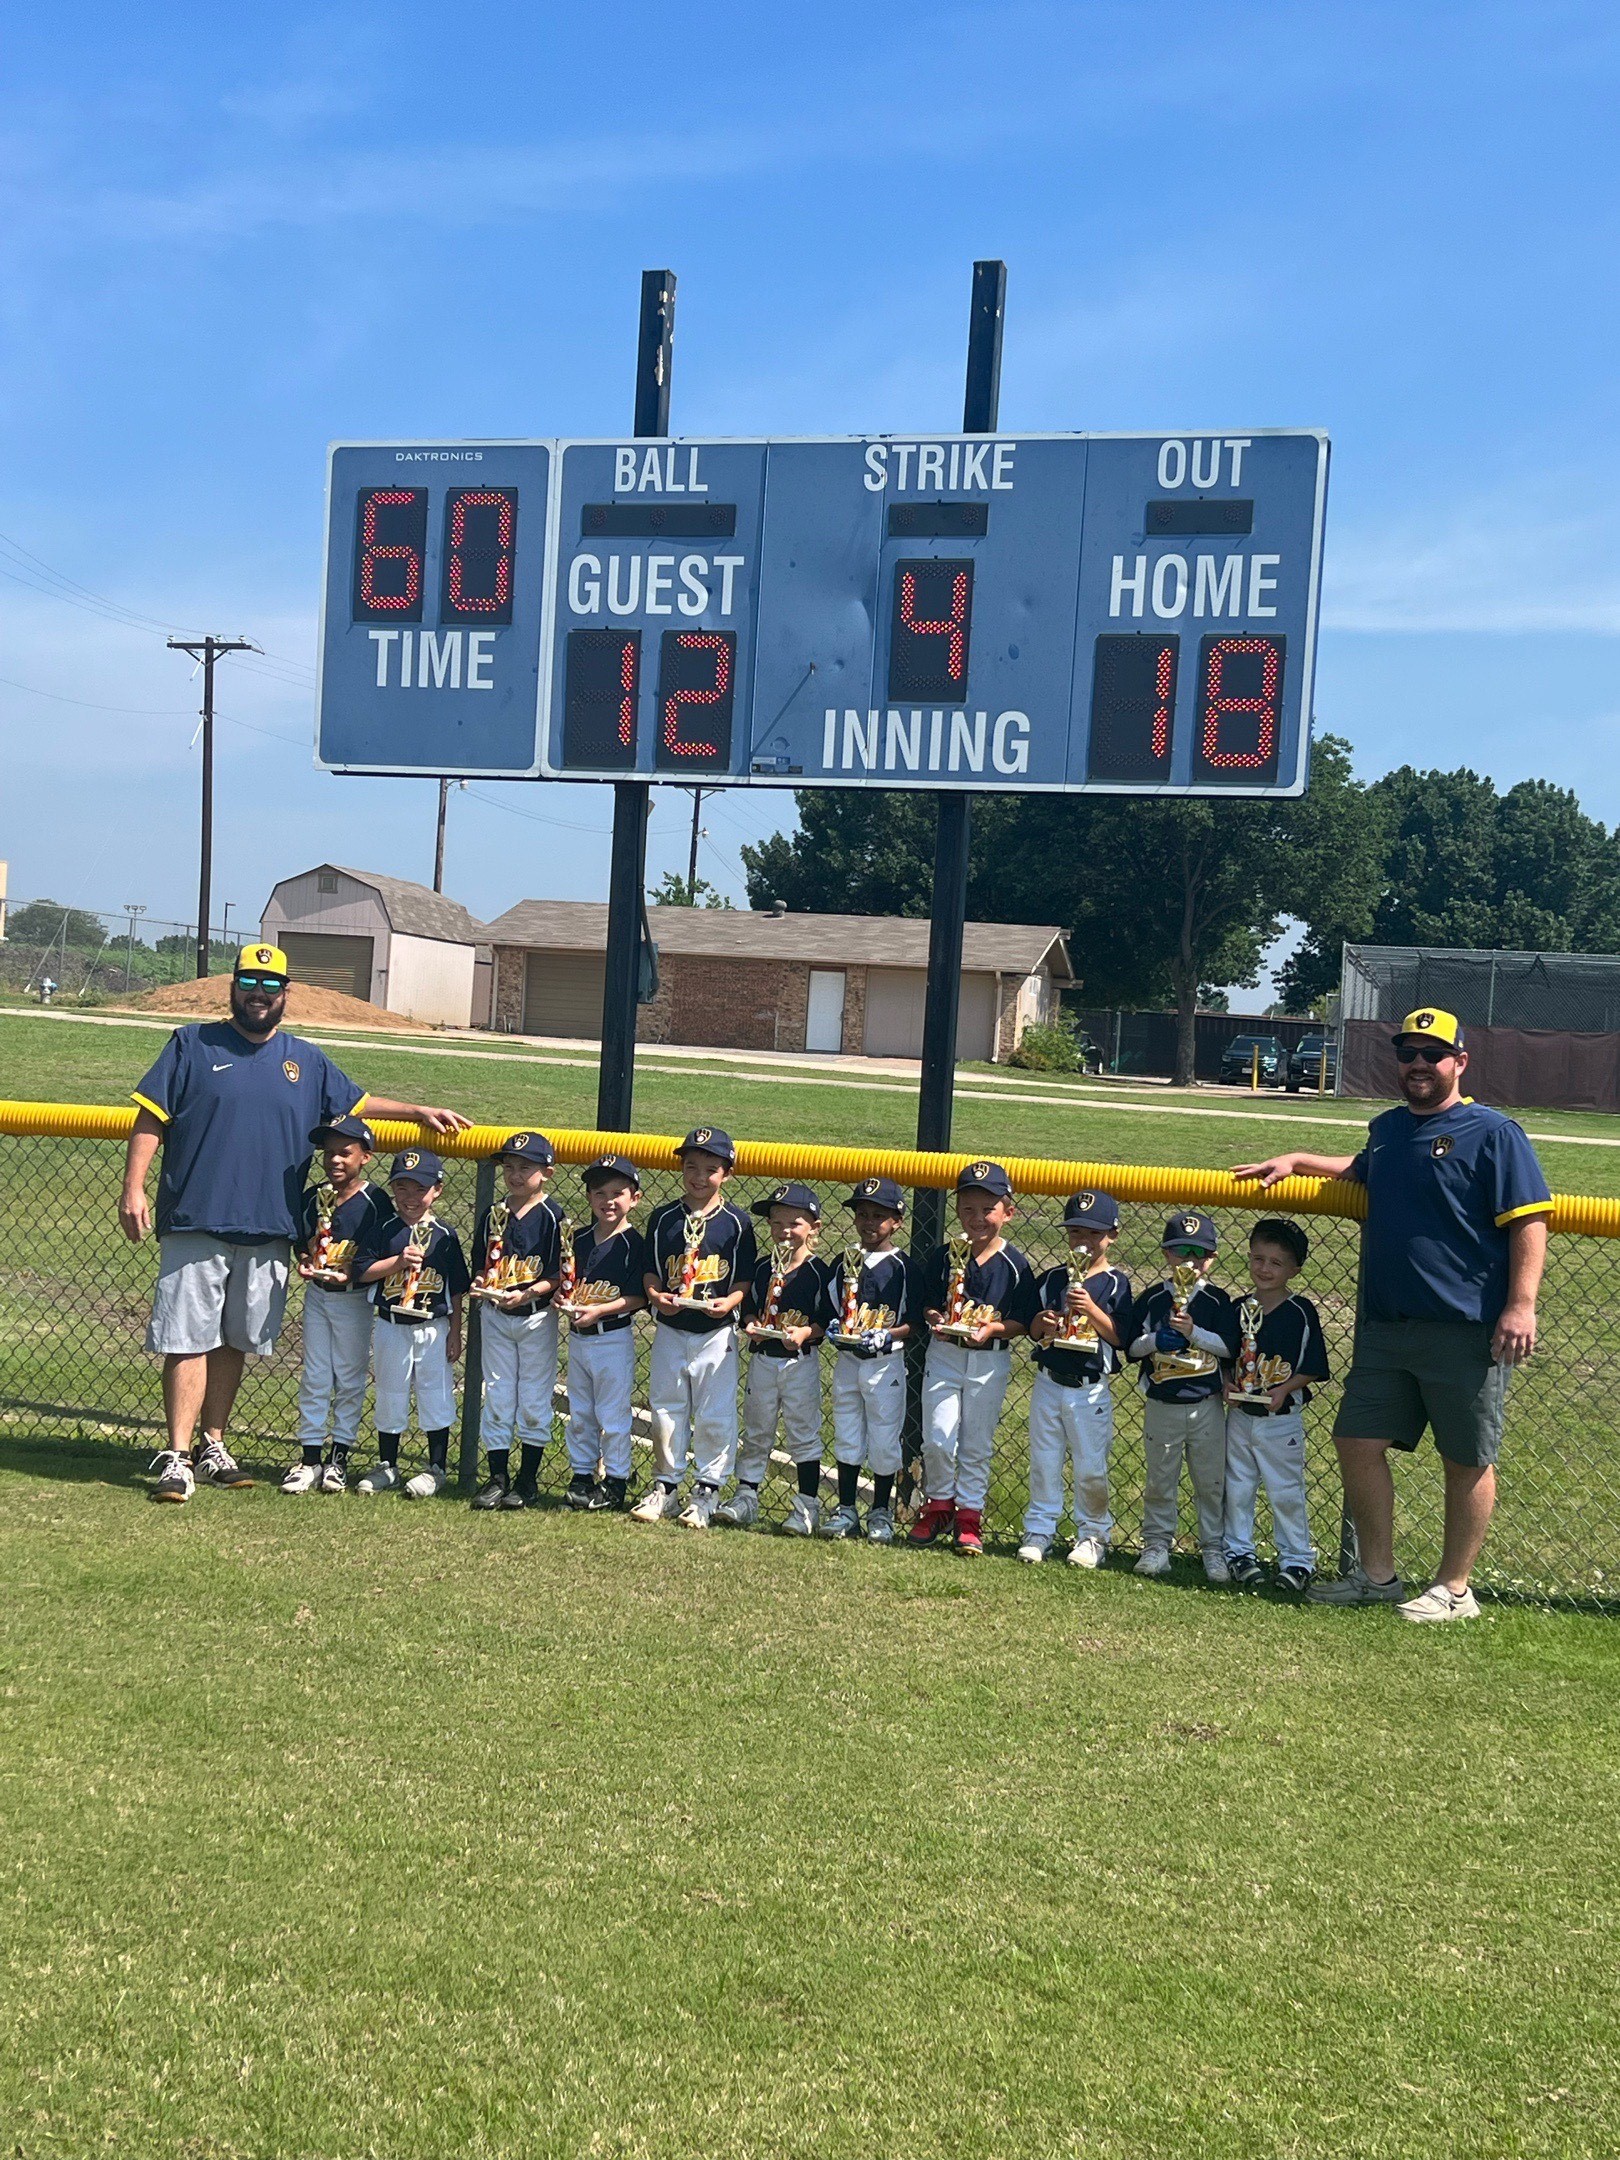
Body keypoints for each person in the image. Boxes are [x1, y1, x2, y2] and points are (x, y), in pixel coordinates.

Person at [121, 943, 468, 1504]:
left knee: (235, 1340)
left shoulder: (304, 1060)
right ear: (233, 987)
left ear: (286, 994)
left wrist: (416, 1112)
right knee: (188, 1339)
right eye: (249, 984)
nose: (259, 995)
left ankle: (213, 1445)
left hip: (269, 1227)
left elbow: (356, 1103)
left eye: (270, 986)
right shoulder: (191, 1043)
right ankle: (178, 1455)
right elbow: (150, 1115)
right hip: (198, 1217)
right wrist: (133, 1186)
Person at [1235, 1006, 1551, 1622]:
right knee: (1356, 1441)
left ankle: (1455, 1589)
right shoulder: (1387, 1128)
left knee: (1466, 1457)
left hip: (1465, 1327)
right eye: (1408, 1052)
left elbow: (1530, 1219)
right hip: (1385, 1327)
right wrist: (1299, 1159)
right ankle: (1376, 1576)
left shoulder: (1494, 1132)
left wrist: (1520, 1304)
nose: (1418, 1064)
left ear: (1460, 1061)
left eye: (1433, 1053)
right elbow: (1360, 1171)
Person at [911, 1161, 1037, 1557]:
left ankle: (969, 1515)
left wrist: (994, 1329)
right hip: (945, 1354)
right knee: (937, 1437)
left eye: (988, 1209)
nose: (977, 1218)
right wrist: (935, 1316)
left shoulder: (1015, 1265)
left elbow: (1022, 1321)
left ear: (1008, 1211)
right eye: (967, 1208)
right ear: (957, 1210)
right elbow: (928, 1304)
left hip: (988, 1360)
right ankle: (939, 1505)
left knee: (976, 1443)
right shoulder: (944, 1256)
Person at [634, 1126, 757, 1529]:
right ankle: (666, 1486)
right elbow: (651, 1271)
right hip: (671, 1327)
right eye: (691, 1167)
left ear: (728, 1173)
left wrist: (731, 1302)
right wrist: (655, 1296)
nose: (699, 1177)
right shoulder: (664, 1218)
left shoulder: (736, 1223)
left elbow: (742, 1281)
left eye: (710, 1169)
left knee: (714, 1413)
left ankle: (707, 1489)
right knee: (666, 1407)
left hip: (715, 1331)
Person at [1016, 1190, 1134, 1569]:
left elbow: (1120, 1337)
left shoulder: (1116, 1283)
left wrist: (1090, 1309)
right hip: (1048, 1381)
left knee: (1090, 1467)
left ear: (1112, 1234)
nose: (1082, 1241)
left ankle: (1094, 1535)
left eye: (1092, 1233)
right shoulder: (1053, 1277)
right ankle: (1039, 1529)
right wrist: (1044, 1322)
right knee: (1044, 1460)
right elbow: (1033, 1328)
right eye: (1075, 1232)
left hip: (1089, 1387)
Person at [1217, 1217, 1328, 1592]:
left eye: (1276, 1262)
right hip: (1240, 1417)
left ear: (1295, 1269)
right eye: (1258, 1258)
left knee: (1285, 1490)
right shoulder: (1238, 1308)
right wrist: (1226, 1385)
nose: (1264, 1269)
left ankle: (1297, 1560)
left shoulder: (1301, 1312)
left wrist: (1285, 1389)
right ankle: (1238, 1553)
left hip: (1280, 1418)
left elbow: (1313, 1366)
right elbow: (1222, 1358)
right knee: (1238, 1486)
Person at [351, 1150, 471, 1499]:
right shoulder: (384, 1230)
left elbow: (458, 1288)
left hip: (433, 1327)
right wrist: (396, 1262)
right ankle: (387, 1465)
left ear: (437, 1191)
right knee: (390, 1392)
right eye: (402, 1188)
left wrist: (456, 1331)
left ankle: (436, 1468)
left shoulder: (444, 1235)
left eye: (419, 1189)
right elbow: (361, 1272)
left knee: (435, 1394)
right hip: (391, 1323)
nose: (410, 1198)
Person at [282, 1113, 391, 1495]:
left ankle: (339, 1457)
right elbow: (303, 1239)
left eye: (345, 1152)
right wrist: (305, 1258)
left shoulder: (375, 1201)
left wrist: (356, 1275)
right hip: (318, 1296)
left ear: (366, 1156)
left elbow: (381, 1253)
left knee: (348, 1376)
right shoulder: (316, 1197)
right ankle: (310, 1457)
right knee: (313, 1375)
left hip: (354, 1300)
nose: (335, 1160)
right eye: (328, 1153)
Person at [1127, 1212, 1234, 1582]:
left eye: (1199, 1253)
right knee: (1160, 1479)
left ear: (1213, 1257)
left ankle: (1214, 1548)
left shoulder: (1219, 1301)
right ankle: (1157, 1544)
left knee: (1211, 1481)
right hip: (1162, 1404)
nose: (1190, 1261)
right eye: (1180, 1251)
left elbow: (1230, 1349)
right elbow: (1131, 1348)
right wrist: (1157, 1340)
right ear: (1166, 1254)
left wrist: (1195, 1334)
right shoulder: (1154, 1298)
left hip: (1206, 1405)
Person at [721, 1181, 828, 1535]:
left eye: (794, 1223)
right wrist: (751, 1324)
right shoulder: (763, 1266)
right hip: (763, 1359)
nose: (784, 1231)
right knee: (757, 1430)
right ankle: (746, 1496)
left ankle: (807, 1506)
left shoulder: (818, 1271)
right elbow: (750, 1310)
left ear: (814, 1227)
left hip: (800, 1361)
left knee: (803, 1433)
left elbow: (825, 1321)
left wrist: (805, 1332)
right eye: (777, 1222)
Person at [467, 1132, 565, 1513]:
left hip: (535, 1317)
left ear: (547, 1172)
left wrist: (528, 1293)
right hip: (495, 1316)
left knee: (534, 1398)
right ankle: (497, 1477)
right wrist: (481, 1283)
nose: (516, 1173)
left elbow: (561, 1272)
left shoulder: (554, 1217)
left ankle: (527, 1479)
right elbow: (481, 1264)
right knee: (499, 1394)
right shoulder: (494, 1214)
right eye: (509, 1166)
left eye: (526, 1167)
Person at [821, 1176, 916, 1545]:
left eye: (879, 1215)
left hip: (885, 1363)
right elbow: (830, 1304)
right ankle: (846, 1509)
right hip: (847, 1360)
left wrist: (888, 1335)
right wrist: (834, 1324)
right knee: (846, 1432)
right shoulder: (845, 1260)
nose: (869, 1222)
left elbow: (913, 1321)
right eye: (862, 1214)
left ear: (897, 1221)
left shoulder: (903, 1266)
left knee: (883, 1438)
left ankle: (880, 1510)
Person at [559, 1154, 648, 1513]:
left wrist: (600, 1309)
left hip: (613, 1337)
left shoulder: (633, 1244)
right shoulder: (576, 1238)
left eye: (617, 1192)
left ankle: (615, 1481)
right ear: (588, 1197)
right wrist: (560, 1299)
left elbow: (638, 1296)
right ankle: (582, 1475)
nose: (608, 1201)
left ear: (634, 1198)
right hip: (578, 1339)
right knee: (581, 1411)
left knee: (612, 1414)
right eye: (599, 1193)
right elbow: (564, 1282)